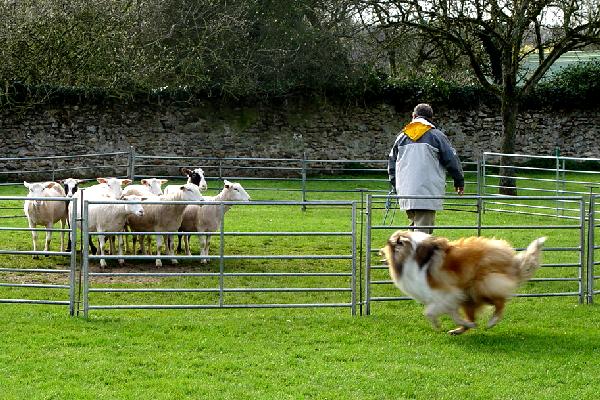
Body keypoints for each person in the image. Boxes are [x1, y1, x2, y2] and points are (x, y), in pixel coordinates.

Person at [387, 103, 464, 234]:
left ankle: (406, 254)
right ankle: (413, 254)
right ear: (431, 118)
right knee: (422, 235)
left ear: (414, 116)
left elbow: (391, 164)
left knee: (414, 228)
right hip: (427, 192)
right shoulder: (437, 136)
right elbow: (451, 159)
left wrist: (396, 186)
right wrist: (459, 181)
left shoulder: (401, 137)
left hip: (406, 191)